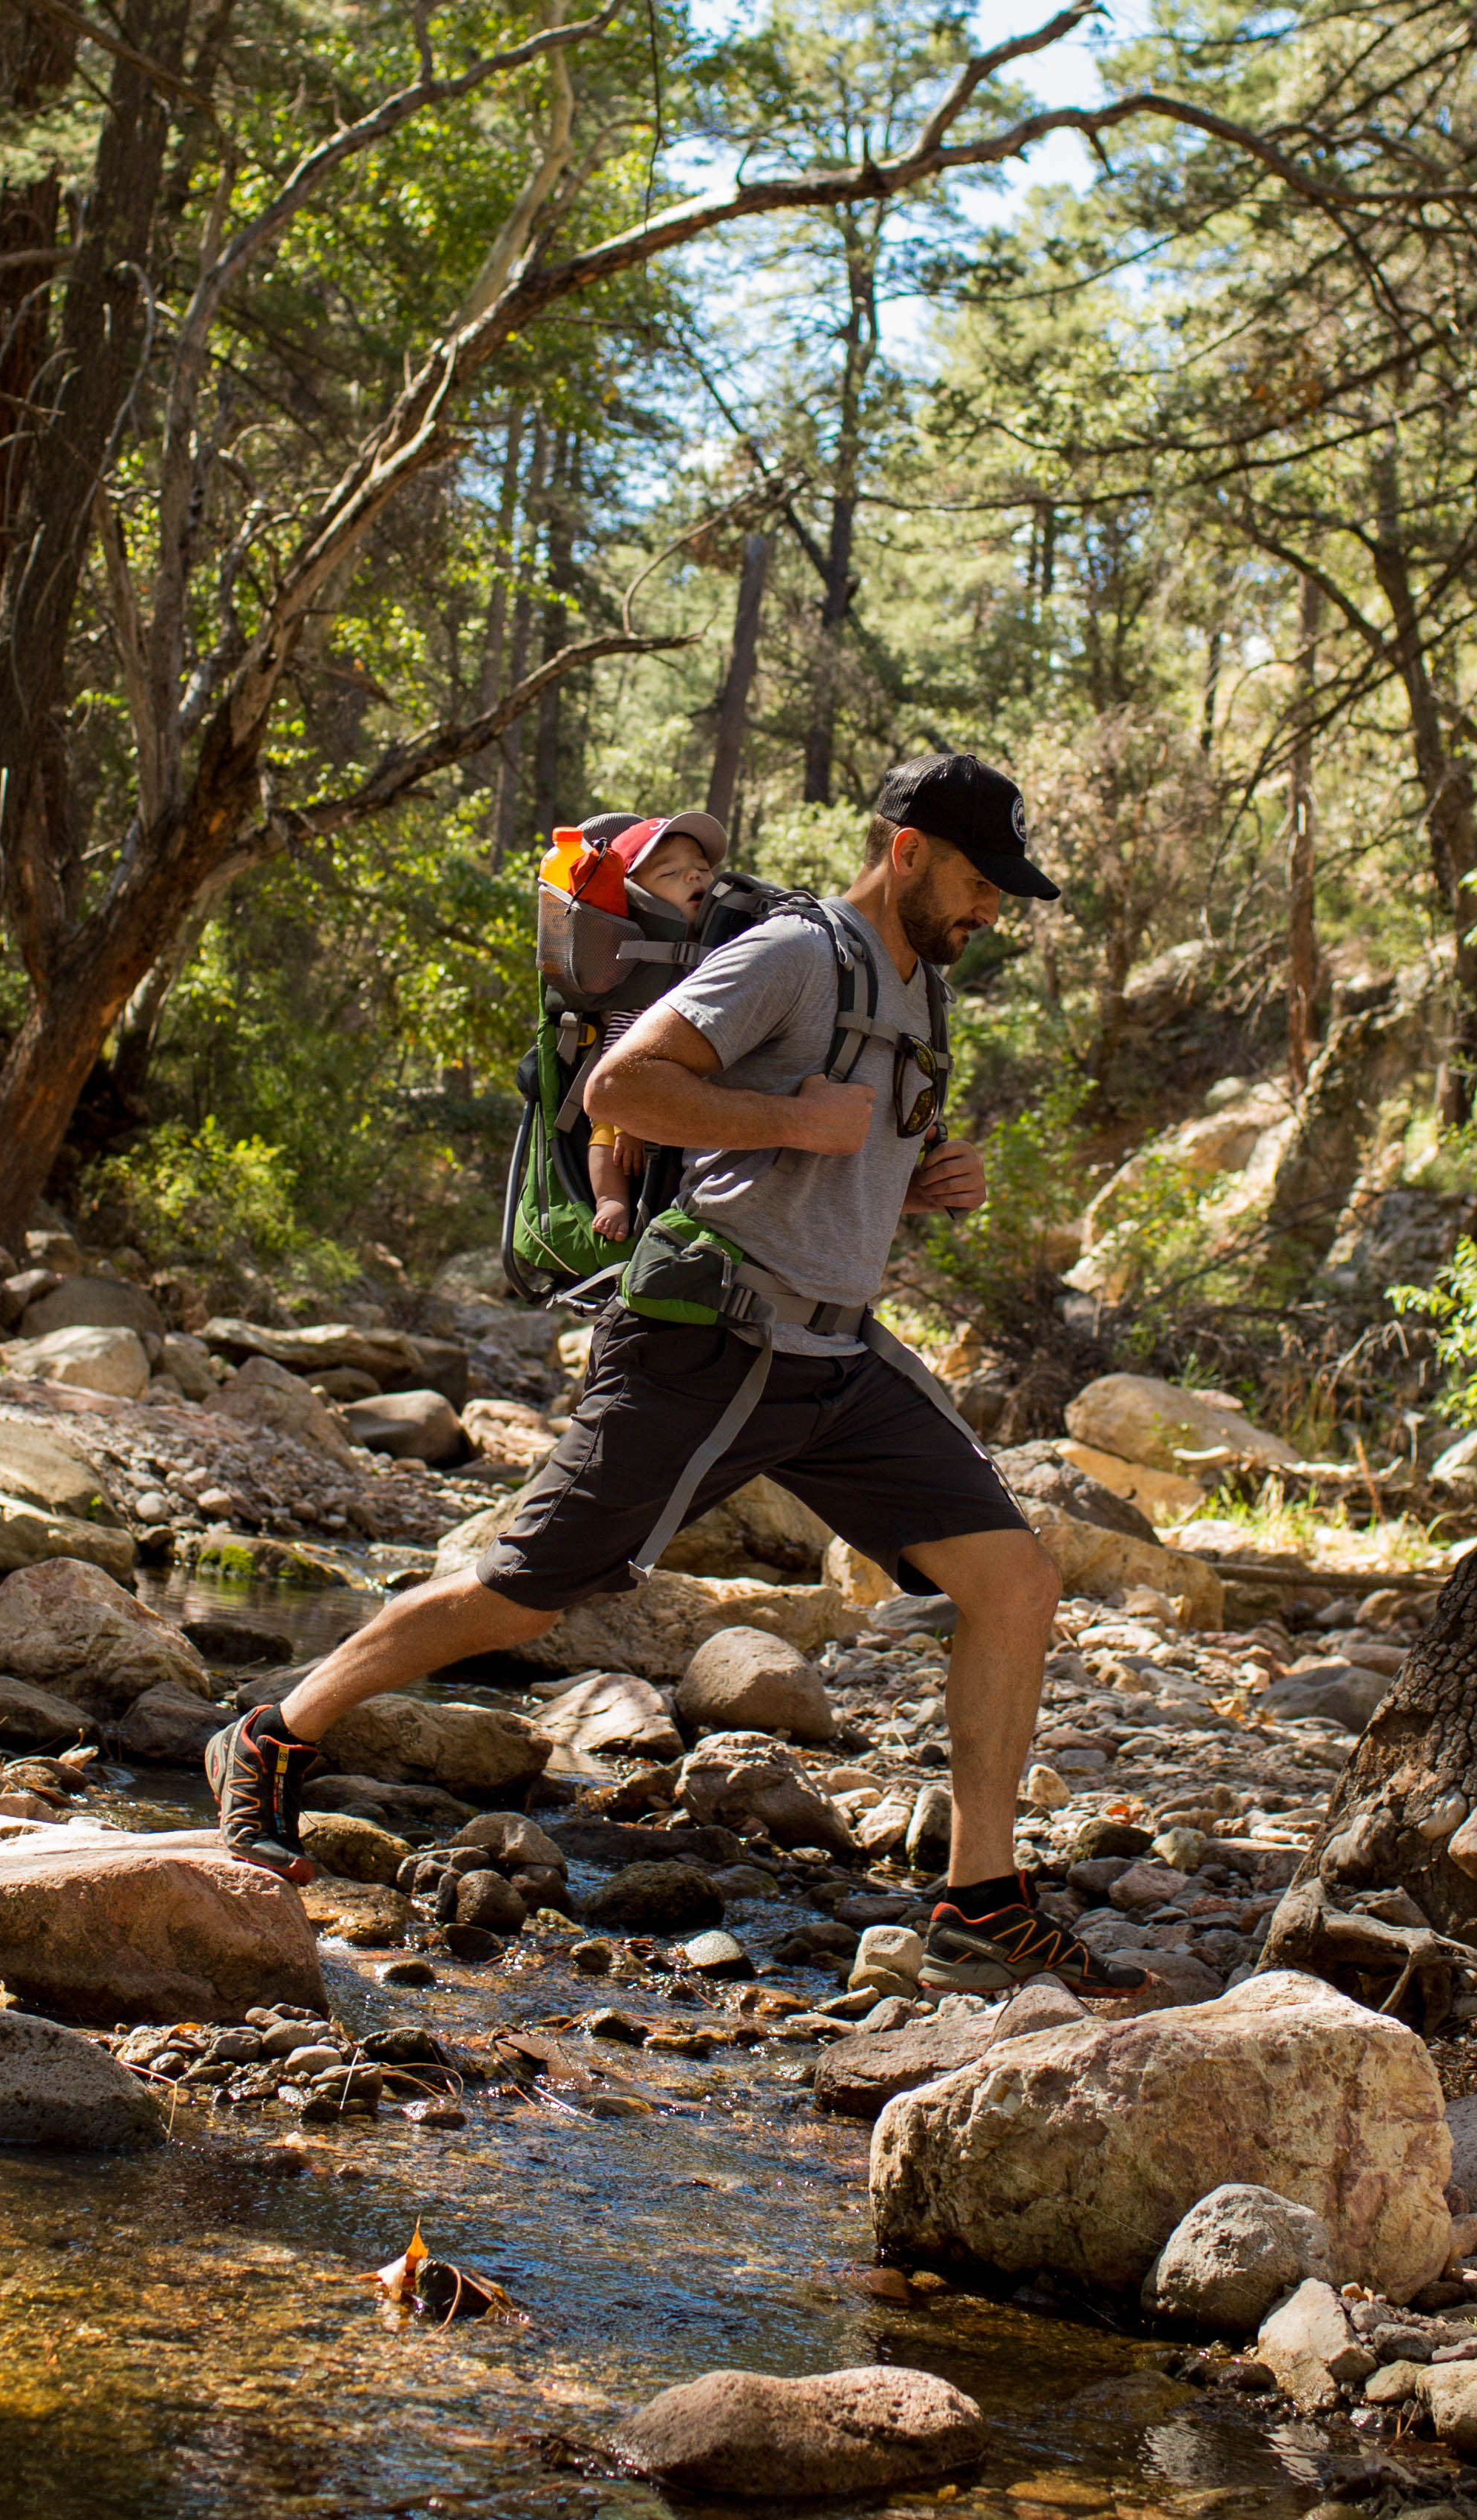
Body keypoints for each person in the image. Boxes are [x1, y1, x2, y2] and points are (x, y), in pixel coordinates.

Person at [207, 749, 1126, 1997]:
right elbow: (620, 1084)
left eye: (1004, 890)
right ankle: (273, 1733)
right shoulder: (796, 956)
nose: (991, 909)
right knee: (525, 1595)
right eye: (976, 879)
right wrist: (799, 1124)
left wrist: (911, 1187)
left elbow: (827, 1166)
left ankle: (980, 1891)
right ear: (904, 849)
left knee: (1014, 1578)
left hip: (834, 1353)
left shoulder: (923, 992)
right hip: (708, 1339)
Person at [576, 812, 720, 1241]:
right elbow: (621, 1056)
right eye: (671, 872)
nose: (694, 874)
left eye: (702, 867)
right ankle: (611, 1200)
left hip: (693, 1100)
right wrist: (631, 1124)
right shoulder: (641, 970)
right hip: (628, 1099)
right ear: (639, 896)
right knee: (602, 1136)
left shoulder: (726, 949)